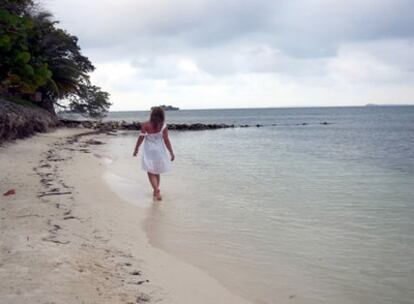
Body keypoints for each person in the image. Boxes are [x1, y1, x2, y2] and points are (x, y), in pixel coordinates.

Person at [133, 107, 175, 201]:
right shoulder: (163, 126)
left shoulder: (146, 125)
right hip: (160, 151)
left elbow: (141, 138)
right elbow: (166, 140)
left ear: (151, 115)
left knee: (150, 171)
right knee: (157, 171)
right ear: (162, 116)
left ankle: (156, 190)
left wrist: (136, 148)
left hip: (149, 151)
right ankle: (156, 190)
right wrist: (171, 152)